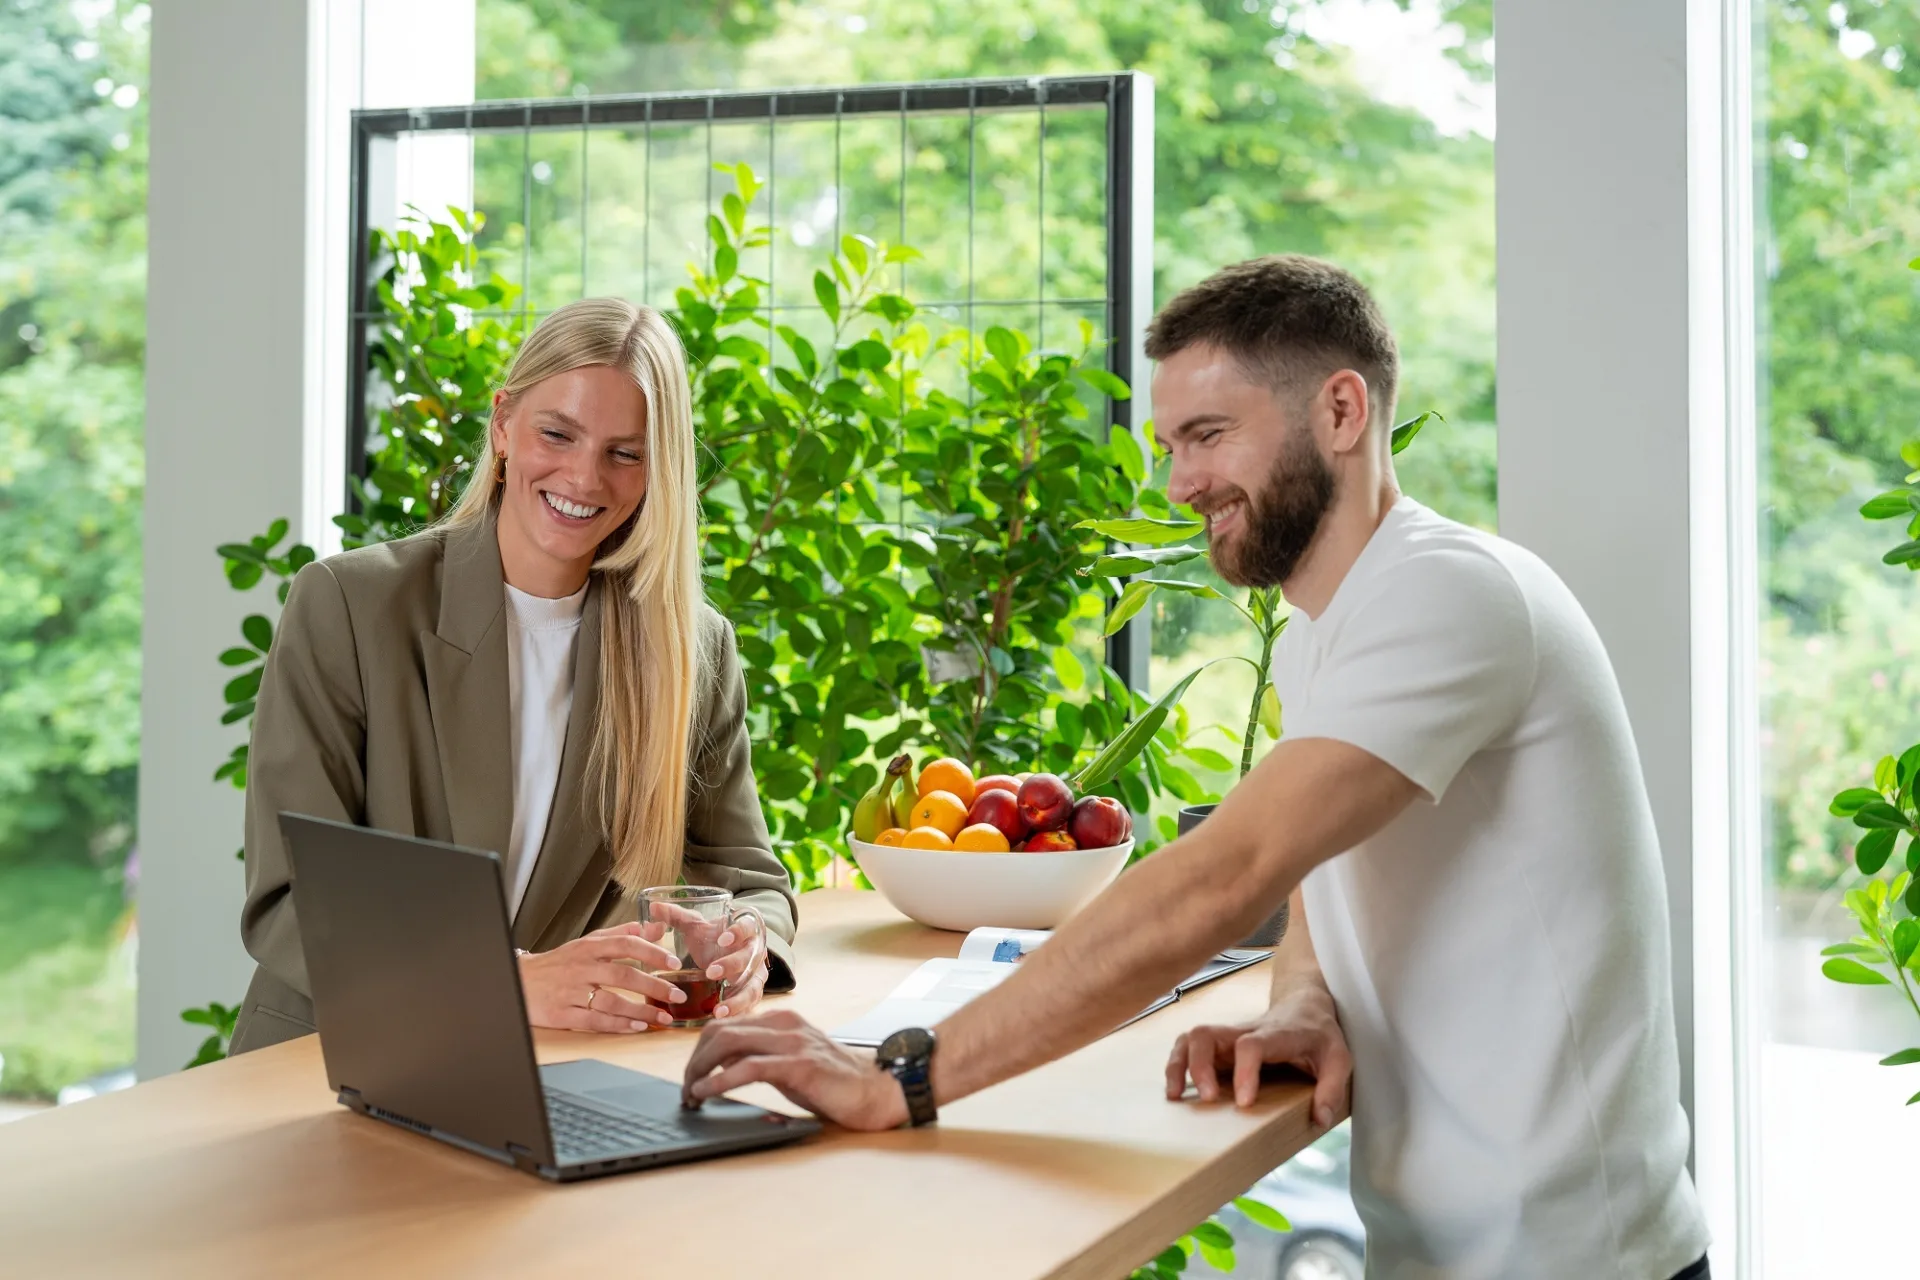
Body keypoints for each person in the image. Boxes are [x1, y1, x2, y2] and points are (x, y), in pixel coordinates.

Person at [682, 258, 1711, 1280]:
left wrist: (904, 1074)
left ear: (1342, 410)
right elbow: (1316, 852)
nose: (1179, 482)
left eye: (1210, 435)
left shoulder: (1452, 596)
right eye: (1173, 445)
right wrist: (1306, 995)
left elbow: (1230, 870)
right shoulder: (1329, 628)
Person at [231, 298, 795, 1055]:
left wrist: (746, 938)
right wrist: (506, 979)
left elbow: (744, 871)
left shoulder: (692, 647)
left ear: (660, 468)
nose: (584, 477)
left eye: (626, 453)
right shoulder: (348, 605)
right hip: (337, 1054)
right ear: (503, 424)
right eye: (557, 433)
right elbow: (291, 899)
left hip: (555, 1067)